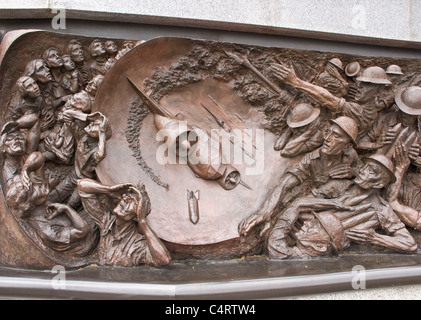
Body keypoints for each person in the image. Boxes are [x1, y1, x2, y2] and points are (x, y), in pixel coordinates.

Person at [266, 153, 417, 259]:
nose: (363, 171)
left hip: (318, 251)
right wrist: (331, 203)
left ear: (379, 183)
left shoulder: (382, 210)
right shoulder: (340, 185)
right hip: (295, 230)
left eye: (371, 170)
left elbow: (409, 244)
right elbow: (301, 203)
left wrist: (375, 238)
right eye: (365, 166)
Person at [239, 116, 360, 237]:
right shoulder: (311, 159)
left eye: (336, 136)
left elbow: (366, 173)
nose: (327, 139)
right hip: (317, 201)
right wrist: (265, 212)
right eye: (328, 132)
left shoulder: (350, 156)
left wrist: (353, 172)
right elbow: (285, 184)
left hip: (342, 204)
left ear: (347, 146)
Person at [270, 63, 392, 138]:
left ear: (379, 91)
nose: (359, 86)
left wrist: (295, 82)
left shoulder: (362, 112)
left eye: (367, 84)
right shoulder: (365, 105)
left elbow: (328, 100)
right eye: (360, 82)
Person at [77, 178, 171, 267]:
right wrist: (108, 189)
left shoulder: (137, 245)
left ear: (137, 215)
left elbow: (163, 260)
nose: (125, 199)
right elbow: (82, 185)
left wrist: (142, 221)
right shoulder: (107, 222)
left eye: (132, 201)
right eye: (126, 196)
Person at [46, 110, 112, 209]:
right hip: (72, 176)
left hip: (83, 183)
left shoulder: (96, 150)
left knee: (71, 206)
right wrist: (87, 117)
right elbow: (67, 115)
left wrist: (102, 132)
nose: (92, 124)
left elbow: (100, 154)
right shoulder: (83, 136)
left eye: (96, 125)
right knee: (51, 197)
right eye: (93, 123)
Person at [358, 86, 421, 168]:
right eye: (404, 112)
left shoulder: (418, 130)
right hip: (374, 166)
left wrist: (415, 158)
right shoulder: (385, 120)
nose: (407, 117)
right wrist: (376, 144)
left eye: (412, 115)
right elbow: (359, 144)